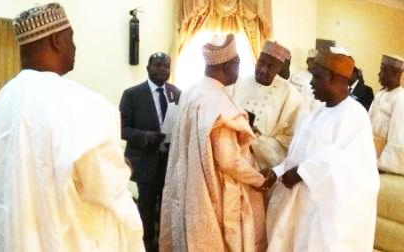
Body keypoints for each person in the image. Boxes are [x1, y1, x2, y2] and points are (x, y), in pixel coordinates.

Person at [0, 3, 144, 251]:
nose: (74, 47)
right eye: (71, 38)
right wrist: (124, 166)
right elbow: (106, 187)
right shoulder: (79, 102)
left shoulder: (5, 98)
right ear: (57, 40)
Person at [263, 49, 379, 251]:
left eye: (316, 76)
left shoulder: (355, 115)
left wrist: (301, 173)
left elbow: (342, 160)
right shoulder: (316, 113)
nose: (311, 82)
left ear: (335, 78)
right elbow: (297, 156)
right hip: (302, 207)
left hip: (327, 215)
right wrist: (277, 171)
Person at [160, 34, 266, 252]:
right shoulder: (217, 102)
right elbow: (228, 160)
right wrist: (259, 179)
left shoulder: (192, 92)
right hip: (212, 192)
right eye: (238, 63)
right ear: (229, 65)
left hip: (190, 186)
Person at [119, 52, 181, 251]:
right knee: (144, 210)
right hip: (144, 163)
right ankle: (144, 246)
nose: (163, 69)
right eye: (158, 65)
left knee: (167, 208)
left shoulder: (177, 93)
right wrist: (145, 137)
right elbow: (122, 129)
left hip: (169, 163)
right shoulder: (132, 95)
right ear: (148, 68)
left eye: (166, 66)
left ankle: (164, 245)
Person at [235, 41, 302, 170]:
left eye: (271, 66)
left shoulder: (291, 96)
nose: (263, 70)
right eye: (261, 63)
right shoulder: (238, 83)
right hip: (232, 155)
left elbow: (290, 140)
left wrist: (258, 140)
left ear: (280, 69)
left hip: (262, 166)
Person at [369, 54, 404, 175]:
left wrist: (381, 163)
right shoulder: (380, 94)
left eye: (383, 70)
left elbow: (398, 135)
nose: (379, 74)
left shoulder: (400, 98)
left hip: (383, 161)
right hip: (370, 152)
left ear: (396, 74)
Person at [290, 49, 323, 113]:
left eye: (318, 62)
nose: (316, 64)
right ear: (308, 61)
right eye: (314, 61)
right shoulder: (297, 77)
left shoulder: (321, 79)